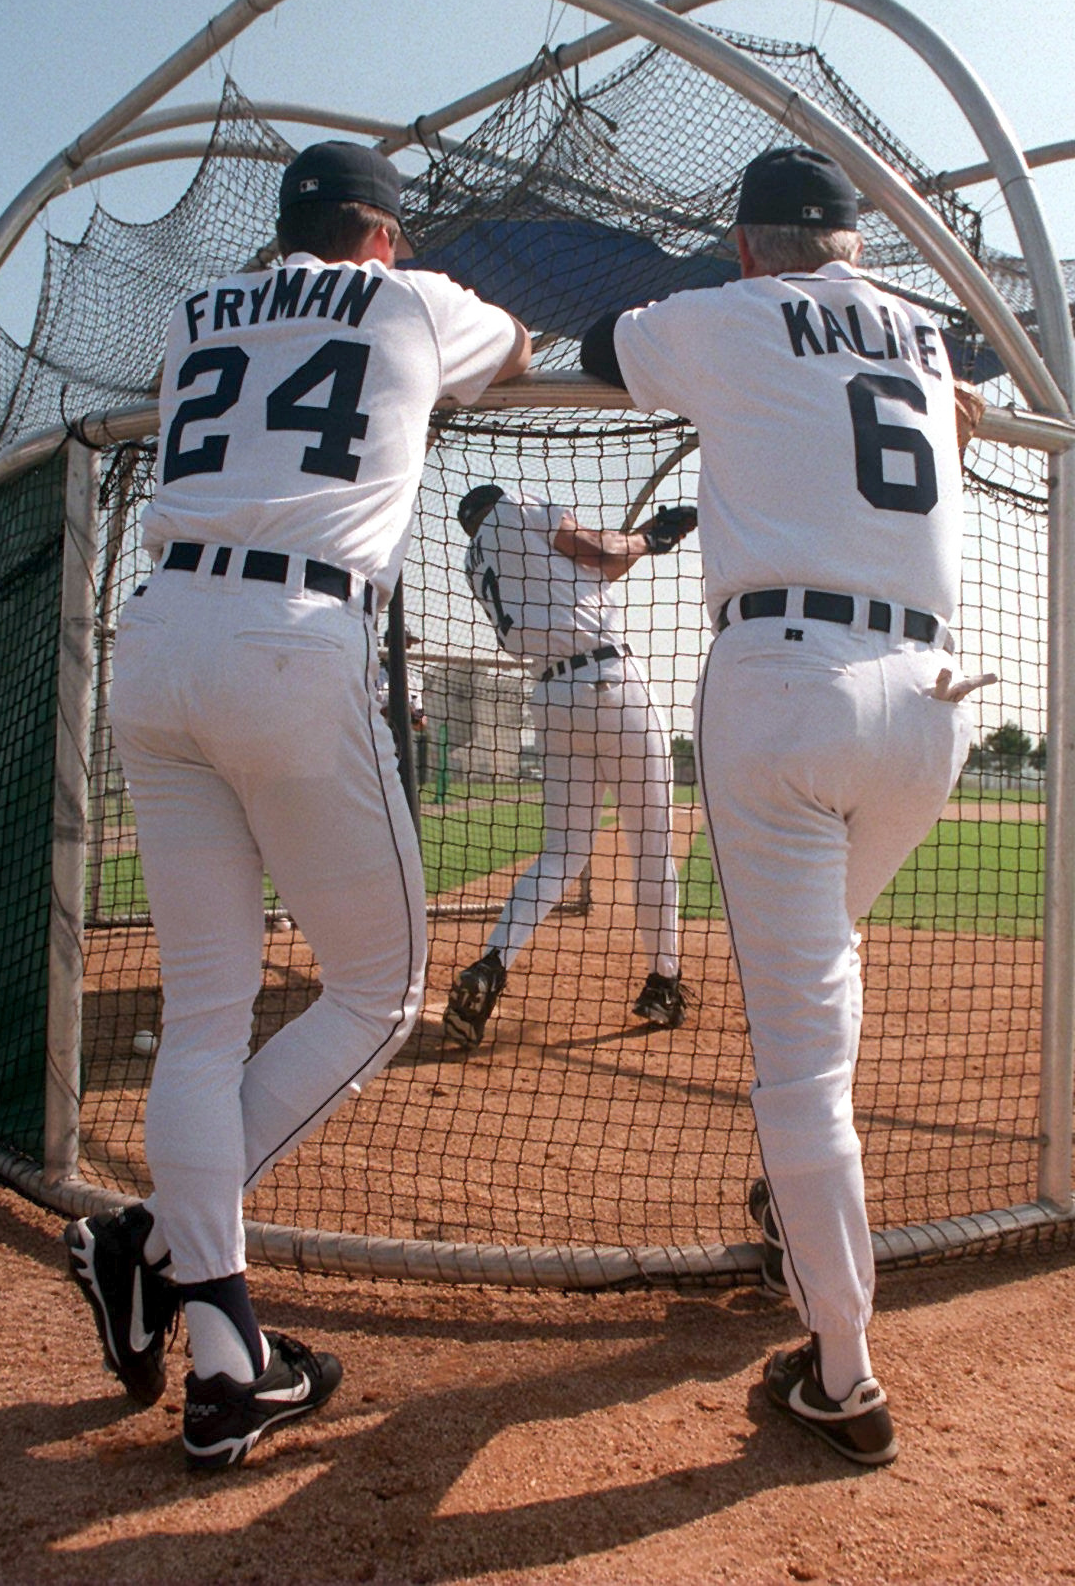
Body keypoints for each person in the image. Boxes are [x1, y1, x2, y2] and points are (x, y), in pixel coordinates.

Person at [64, 140, 531, 1468]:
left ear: (282, 229)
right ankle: (153, 1242)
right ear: (378, 235)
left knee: (204, 1014)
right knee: (378, 987)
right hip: (292, 633)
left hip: (154, 641)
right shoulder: (411, 297)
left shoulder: (194, 308)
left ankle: (220, 1352)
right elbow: (515, 341)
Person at [580, 145, 989, 1469]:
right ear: (853, 242)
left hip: (785, 679)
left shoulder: (727, 306)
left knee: (799, 1043)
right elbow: (927, 397)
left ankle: (844, 1368)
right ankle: (793, 1208)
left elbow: (598, 347)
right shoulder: (923, 336)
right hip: (933, 699)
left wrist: (715, 316)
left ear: (750, 245)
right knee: (819, 972)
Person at [443, 483, 697, 1049]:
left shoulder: (474, 560)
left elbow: (592, 574)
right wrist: (647, 540)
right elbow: (596, 550)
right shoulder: (518, 506)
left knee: (562, 852)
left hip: (552, 698)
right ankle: (664, 982)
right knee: (652, 845)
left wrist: (643, 543)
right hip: (612, 684)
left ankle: (491, 966)